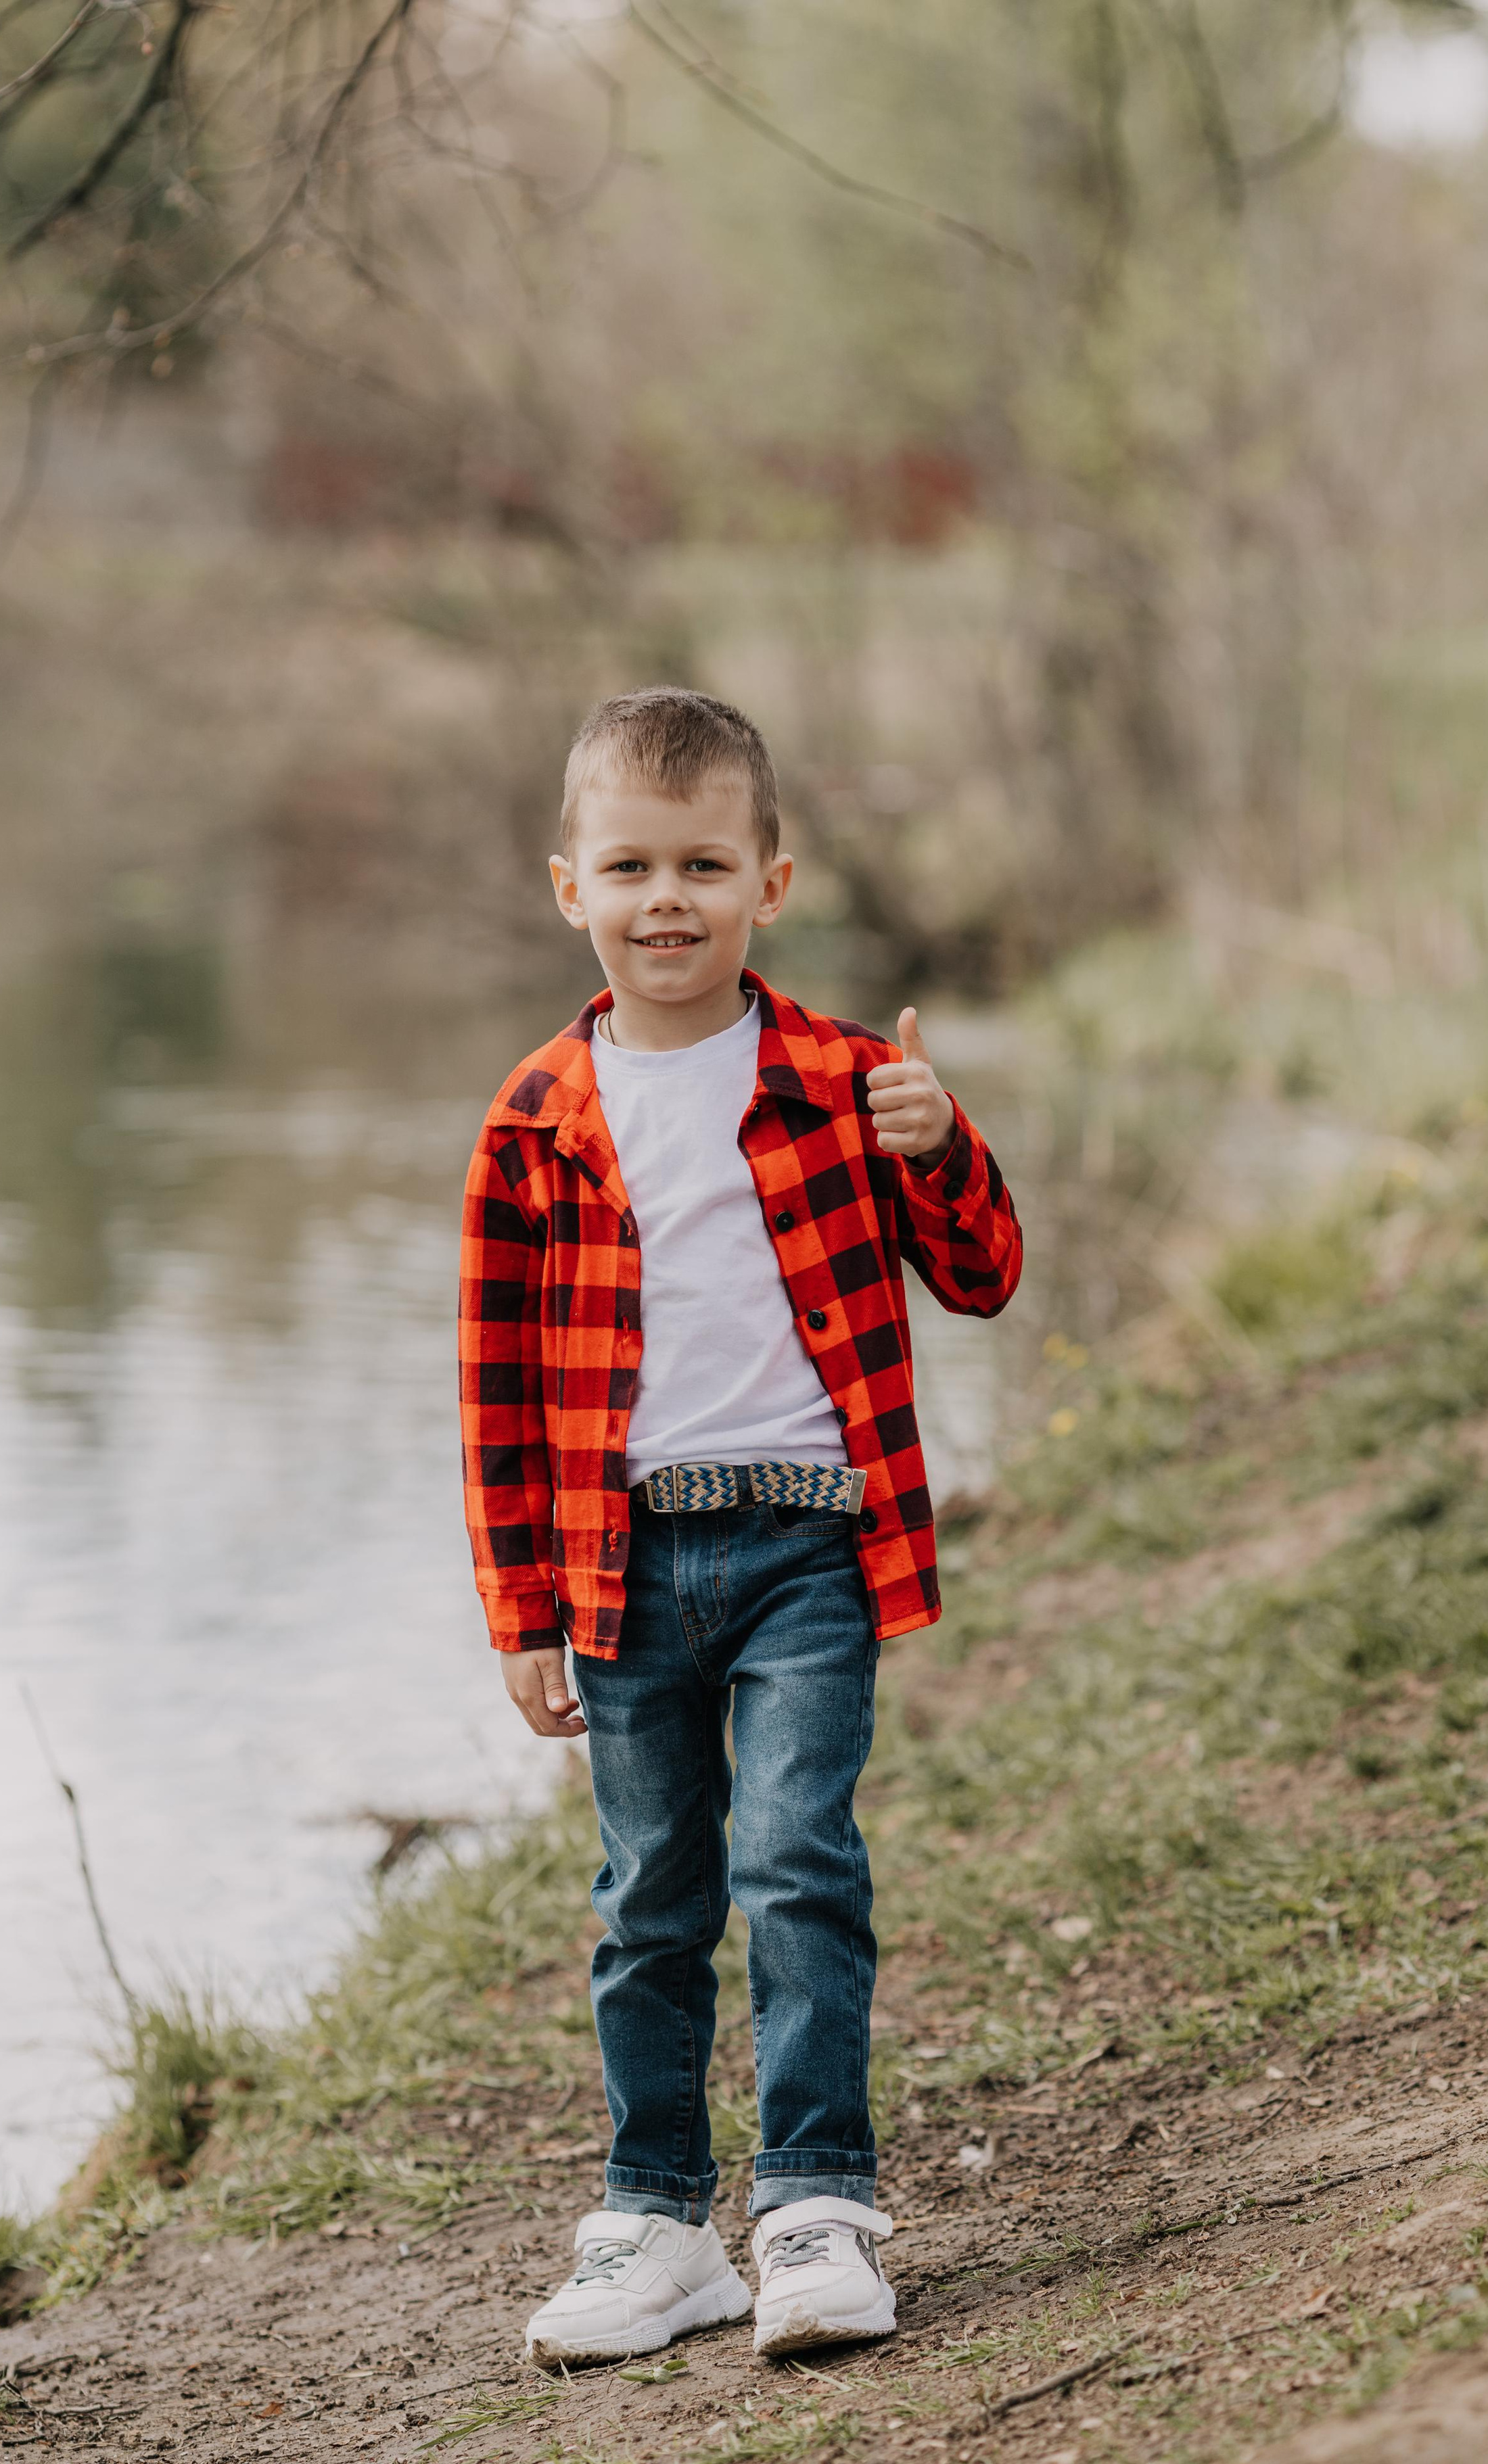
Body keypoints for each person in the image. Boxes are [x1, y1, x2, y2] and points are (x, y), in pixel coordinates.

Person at [459, 687, 1022, 2365]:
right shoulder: (533, 1122)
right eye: (628, 864)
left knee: (795, 1867)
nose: (666, 900)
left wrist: (941, 1146)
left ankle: (813, 2208)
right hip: (621, 1568)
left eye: (705, 863)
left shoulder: (848, 1079)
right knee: (649, 1894)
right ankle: (653, 2222)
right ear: (568, 884)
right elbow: (494, 1386)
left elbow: (982, 1276)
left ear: (769, 882)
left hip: (807, 1548)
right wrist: (519, 1609)